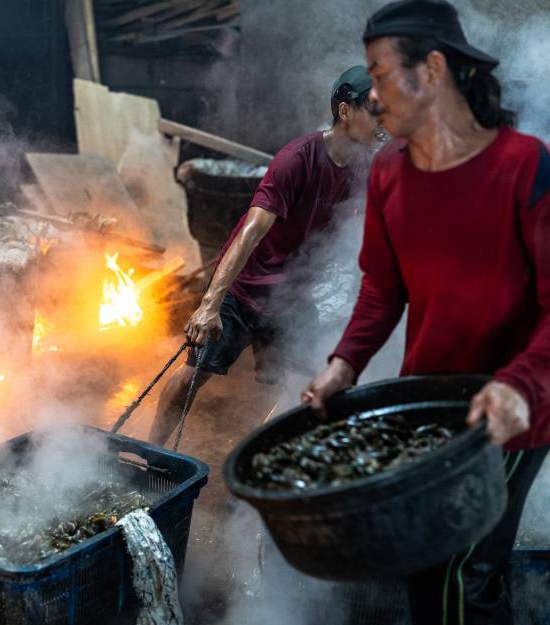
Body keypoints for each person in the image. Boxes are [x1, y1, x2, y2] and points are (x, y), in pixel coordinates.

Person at [301, 2, 550, 625]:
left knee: (451, 572)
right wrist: (345, 362)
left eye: (381, 73)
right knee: (464, 572)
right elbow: (384, 285)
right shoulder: (387, 174)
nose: (371, 94)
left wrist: (520, 386)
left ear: (432, 70)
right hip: (433, 405)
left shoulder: (524, 166)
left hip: (513, 412)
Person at [149, 66, 385, 447]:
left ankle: (252, 455)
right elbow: (250, 232)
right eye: (375, 109)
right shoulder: (297, 159)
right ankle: (151, 450)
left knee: (300, 382)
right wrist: (210, 304)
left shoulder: (364, 165)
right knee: (195, 373)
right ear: (345, 111)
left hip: (291, 297)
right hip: (243, 289)